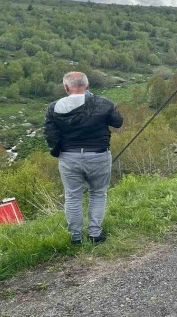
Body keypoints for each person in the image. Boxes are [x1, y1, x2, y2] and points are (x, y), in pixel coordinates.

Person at [44, 71, 124, 245]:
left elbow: (51, 135)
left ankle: (75, 237)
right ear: (87, 85)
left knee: (73, 197)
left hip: (69, 157)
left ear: (66, 87)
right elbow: (118, 122)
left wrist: (59, 153)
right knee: (98, 193)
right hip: (99, 155)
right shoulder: (103, 103)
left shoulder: (54, 108)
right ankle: (95, 234)